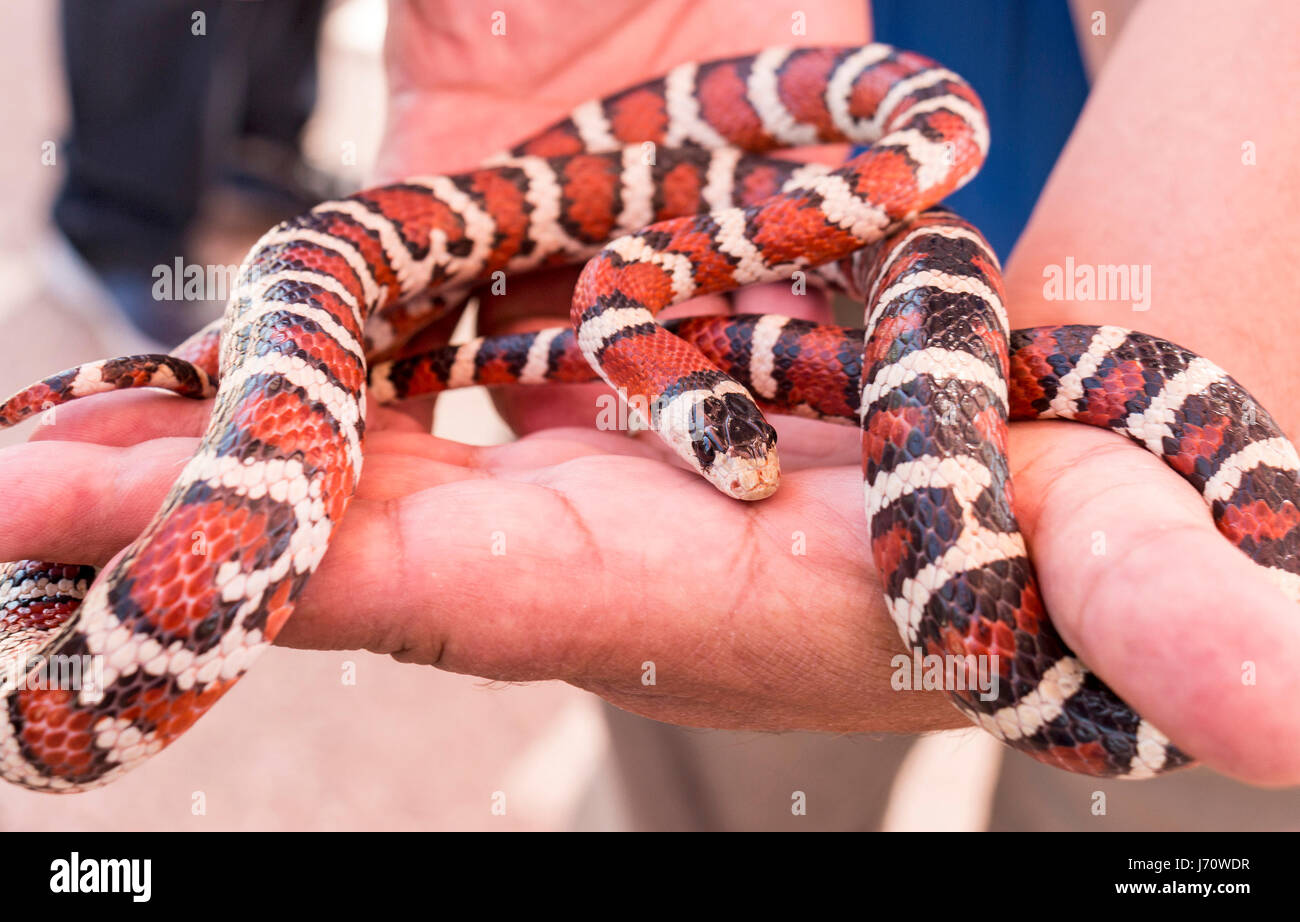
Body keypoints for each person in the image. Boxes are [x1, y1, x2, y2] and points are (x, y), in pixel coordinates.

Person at [4, 0, 1299, 828]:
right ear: (670, 392)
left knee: (1190, 755)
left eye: (725, 425)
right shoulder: (643, 297)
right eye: (716, 426)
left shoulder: (701, 274)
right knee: (709, 785)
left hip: (1211, 265)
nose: (744, 467)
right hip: (860, 200)